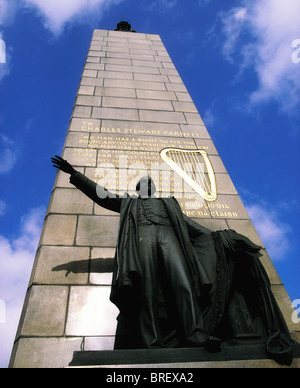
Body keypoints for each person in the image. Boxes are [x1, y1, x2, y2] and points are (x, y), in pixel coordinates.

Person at [51, 155, 295, 363]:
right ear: (137, 190)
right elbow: (101, 196)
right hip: (143, 240)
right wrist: (75, 174)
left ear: (154, 188)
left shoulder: (170, 205)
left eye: (150, 183)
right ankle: (152, 341)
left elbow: (192, 227)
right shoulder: (129, 203)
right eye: (142, 183)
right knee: (146, 291)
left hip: (168, 237)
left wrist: (222, 238)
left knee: (183, 284)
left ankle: (196, 334)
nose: (147, 185)